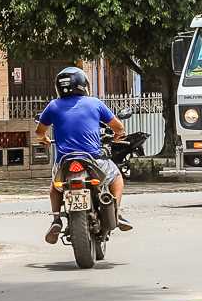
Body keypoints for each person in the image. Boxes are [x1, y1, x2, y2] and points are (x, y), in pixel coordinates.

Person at [35, 66, 132, 244]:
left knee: (55, 187)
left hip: (64, 162)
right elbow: (119, 127)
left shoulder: (53, 106)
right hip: (93, 159)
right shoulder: (94, 103)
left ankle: (56, 219)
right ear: (83, 85)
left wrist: (45, 140)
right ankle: (116, 212)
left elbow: (39, 132)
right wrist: (117, 137)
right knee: (117, 178)